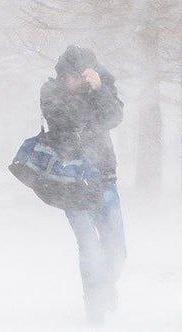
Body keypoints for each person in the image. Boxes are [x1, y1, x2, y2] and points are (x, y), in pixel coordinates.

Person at [40, 45, 126, 323]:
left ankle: (106, 288)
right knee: (89, 246)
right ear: (63, 74)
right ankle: (95, 309)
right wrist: (77, 92)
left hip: (104, 176)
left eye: (82, 74)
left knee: (116, 250)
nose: (77, 79)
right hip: (72, 180)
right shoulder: (51, 91)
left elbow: (113, 118)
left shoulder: (103, 86)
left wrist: (99, 89)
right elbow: (62, 122)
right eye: (72, 75)